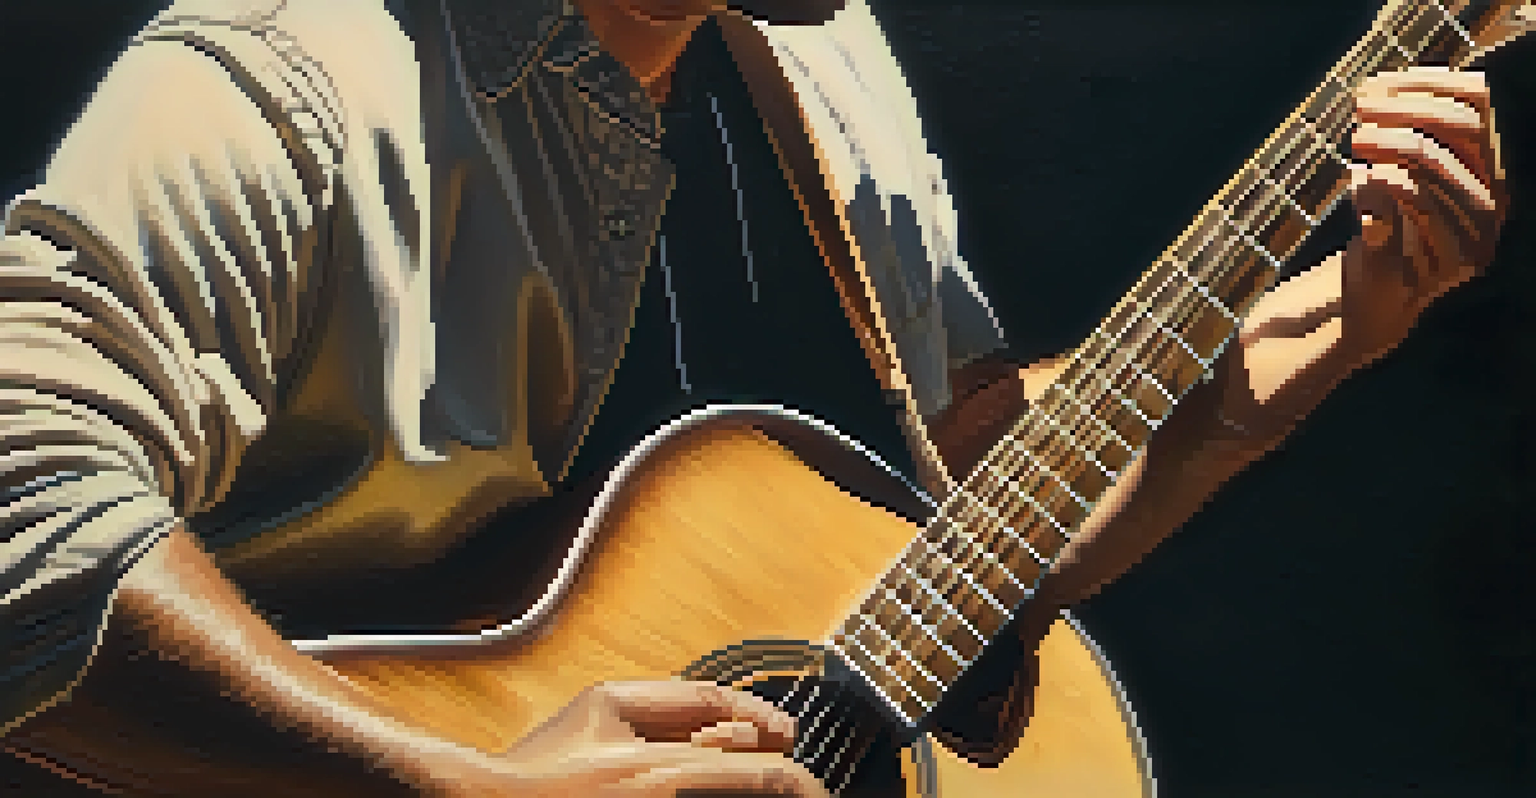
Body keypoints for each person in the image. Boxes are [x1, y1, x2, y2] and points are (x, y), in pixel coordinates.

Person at [0, 0, 1507, 794]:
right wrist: (449, 785)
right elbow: (26, 503)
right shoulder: (285, 81)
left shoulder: (821, 54)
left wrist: (1337, 319)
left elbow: (970, 514)